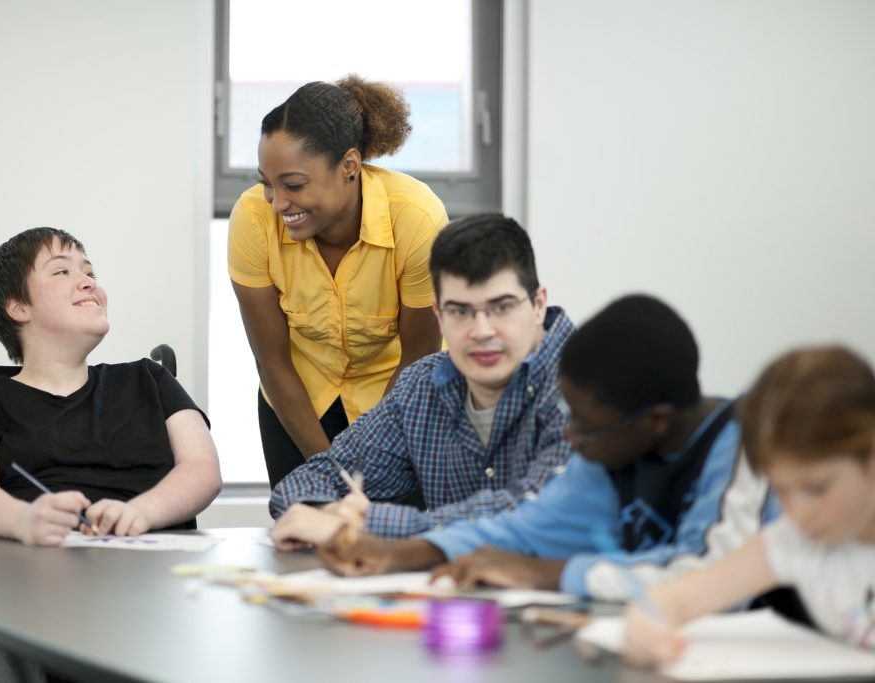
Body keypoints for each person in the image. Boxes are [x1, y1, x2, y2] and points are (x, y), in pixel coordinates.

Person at [314, 294, 778, 600]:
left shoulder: (748, 447)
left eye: (587, 427)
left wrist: (543, 574)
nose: (572, 436)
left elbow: (712, 575)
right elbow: (525, 529)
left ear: (656, 422)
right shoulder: (613, 451)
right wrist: (407, 554)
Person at [0, 227, 222, 682]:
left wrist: (142, 512)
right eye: (63, 271)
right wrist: (25, 522)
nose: (88, 281)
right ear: (18, 307)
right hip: (25, 562)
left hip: (140, 555)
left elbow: (202, 470)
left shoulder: (149, 379)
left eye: (90, 271)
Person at [269, 213, 574, 542]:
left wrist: (361, 523)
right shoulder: (424, 386)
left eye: (501, 308)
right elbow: (311, 481)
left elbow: (536, 516)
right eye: (460, 311)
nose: (482, 331)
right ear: (439, 316)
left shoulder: (588, 383)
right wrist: (331, 514)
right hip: (455, 589)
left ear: (539, 304)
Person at [228, 74, 448, 489]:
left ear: (349, 166)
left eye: (293, 185)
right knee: (303, 535)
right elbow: (272, 361)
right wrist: (329, 470)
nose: (277, 202)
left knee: (388, 539)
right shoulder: (253, 219)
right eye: (267, 184)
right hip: (297, 398)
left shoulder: (416, 219)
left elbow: (418, 360)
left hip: (397, 396)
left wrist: (371, 462)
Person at [624, 346, 875, 665]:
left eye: (816, 488)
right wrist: (647, 625)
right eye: (781, 491)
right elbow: (672, 600)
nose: (797, 513)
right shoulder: (796, 541)